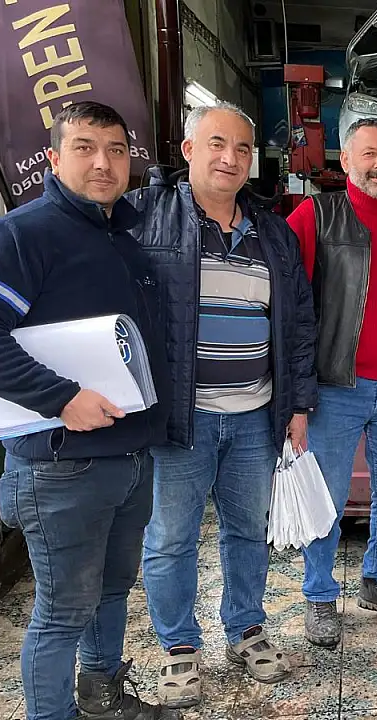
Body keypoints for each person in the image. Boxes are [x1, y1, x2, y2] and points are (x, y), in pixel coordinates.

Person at [0, 101, 177, 720]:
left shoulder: (121, 238)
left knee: (111, 590)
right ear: (53, 157)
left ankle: (102, 696)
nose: (103, 163)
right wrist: (62, 398)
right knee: (63, 610)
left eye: (116, 150)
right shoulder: (20, 235)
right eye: (84, 148)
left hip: (129, 454)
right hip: (61, 465)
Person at [128, 102, 317, 709]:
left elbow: (298, 324)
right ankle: (180, 646)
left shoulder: (273, 233)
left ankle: (246, 629)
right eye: (216, 144)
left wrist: (298, 404)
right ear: (189, 150)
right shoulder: (147, 218)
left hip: (255, 415)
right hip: (181, 420)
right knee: (171, 537)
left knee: (246, 532)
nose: (230, 158)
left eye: (241, 148)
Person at [284, 118, 377, 649]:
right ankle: (320, 595)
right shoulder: (315, 215)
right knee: (328, 497)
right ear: (345, 161)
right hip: (335, 388)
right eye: (369, 154)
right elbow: (290, 305)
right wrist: (297, 393)